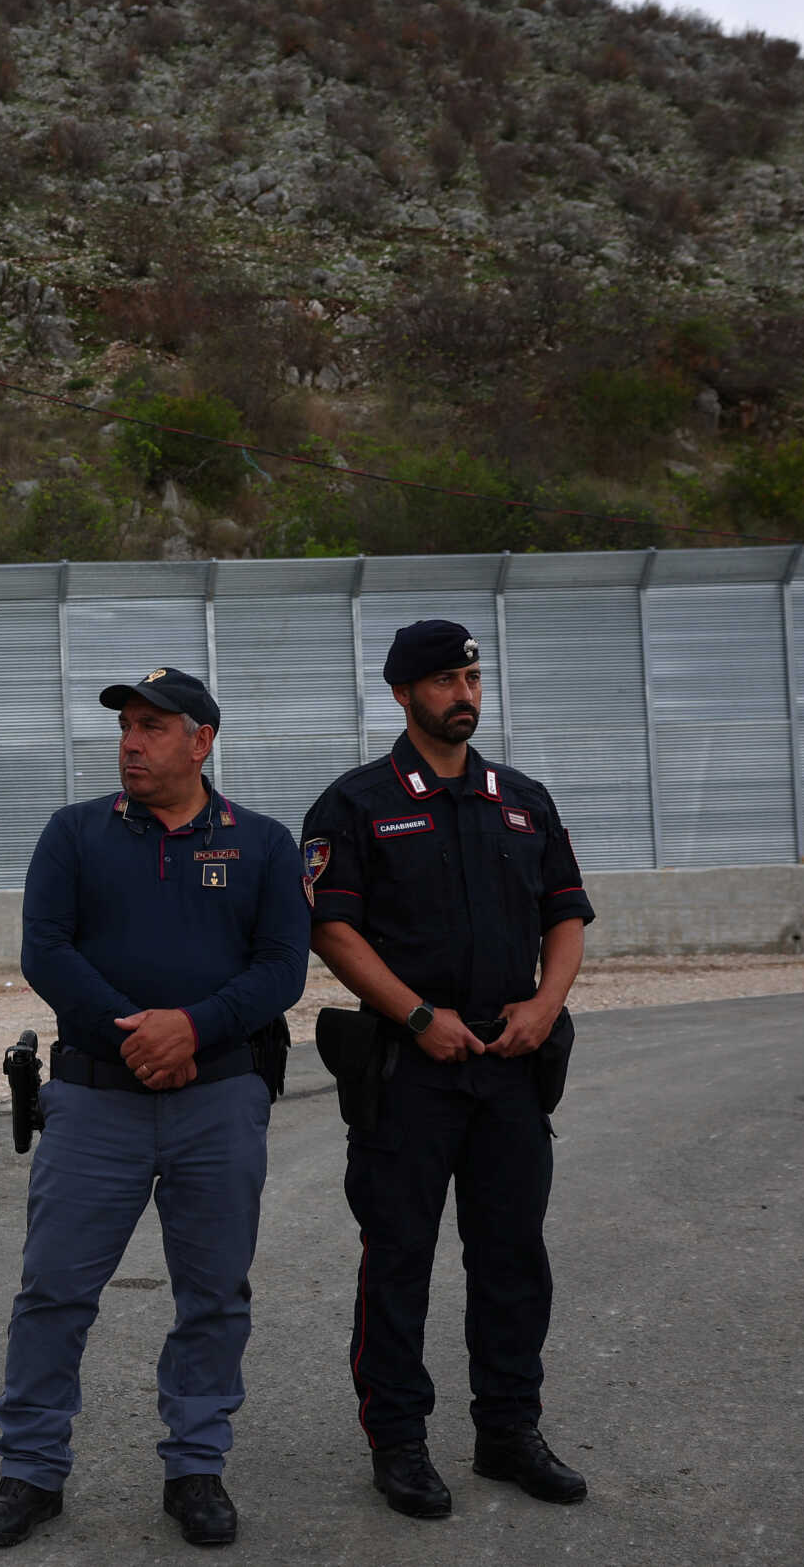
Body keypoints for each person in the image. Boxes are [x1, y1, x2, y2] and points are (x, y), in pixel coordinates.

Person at [0, 667, 307, 1550]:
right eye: (126, 725)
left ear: (202, 741)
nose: (131, 742)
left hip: (220, 1098)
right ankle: (31, 1469)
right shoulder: (75, 834)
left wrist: (191, 1029)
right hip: (94, 1099)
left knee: (214, 1293)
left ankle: (196, 1467)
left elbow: (281, 969)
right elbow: (45, 951)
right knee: (53, 1289)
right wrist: (136, 1035)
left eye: (154, 727)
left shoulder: (264, 844)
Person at [299, 619, 595, 1520]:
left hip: (510, 1062)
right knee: (399, 1258)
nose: (464, 693)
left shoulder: (524, 799)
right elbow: (332, 928)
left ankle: (508, 1431)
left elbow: (567, 914)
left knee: (513, 1257)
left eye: (471, 675)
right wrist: (417, 1016)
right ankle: (400, 1442)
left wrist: (544, 1007)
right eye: (443, 680)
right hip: (409, 1069)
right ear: (401, 693)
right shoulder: (354, 804)